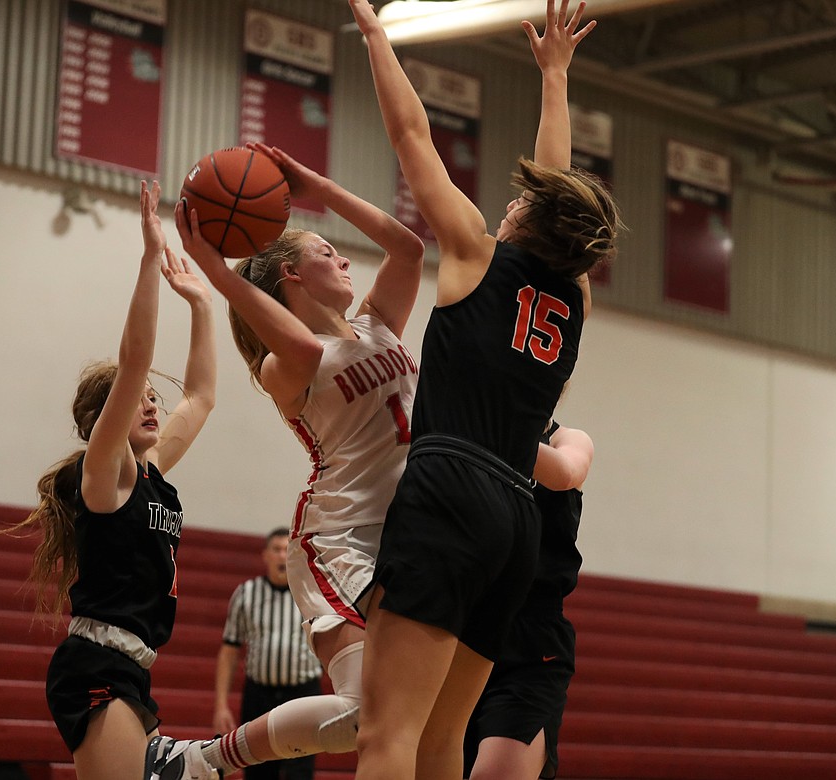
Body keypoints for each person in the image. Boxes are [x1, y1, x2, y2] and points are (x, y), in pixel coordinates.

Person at [346, 0, 622, 778]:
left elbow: (410, 136)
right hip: (515, 526)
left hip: (448, 489)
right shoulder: (575, 297)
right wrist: (555, 80)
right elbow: (556, 181)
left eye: (521, 197)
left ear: (529, 215)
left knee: (386, 737)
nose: (508, 198)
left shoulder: (474, 251)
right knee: (440, 743)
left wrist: (374, 33)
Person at [145, 143, 425, 780]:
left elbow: (407, 248)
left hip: (408, 535)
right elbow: (299, 340)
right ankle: (203, 762)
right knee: (364, 717)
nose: (343, 256)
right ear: (290, 279)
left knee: (410, 714)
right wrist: (220, 274)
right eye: (325, 252)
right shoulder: (284, 365)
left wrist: (317, 185)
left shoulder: (377, 325)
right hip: (340, 538)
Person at [0, 181, 217, 780]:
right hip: (97, 663)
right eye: (136, 399)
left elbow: (199, 397)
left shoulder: (150, 474)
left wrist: (201, 304)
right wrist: (150, 260)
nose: (151, 405)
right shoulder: (108, 474)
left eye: (152, 399)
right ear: (103, 423)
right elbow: (137, 357)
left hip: (132, 668)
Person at [464, 421, 594, 780]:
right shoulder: (463, 427)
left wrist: (479, 418)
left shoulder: (567, 439)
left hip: (531, 641)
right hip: (461, 628)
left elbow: (566, 472)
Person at [215, 528, 323, 780]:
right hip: (258, 695)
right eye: (276, 549)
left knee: (300, 771)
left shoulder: (310, 592)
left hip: (302, 694)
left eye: (287, 549)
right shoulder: (246, 593)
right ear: (265, 555)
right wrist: (221, 705)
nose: (281, 555)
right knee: (258, 771)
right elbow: (230, 651)